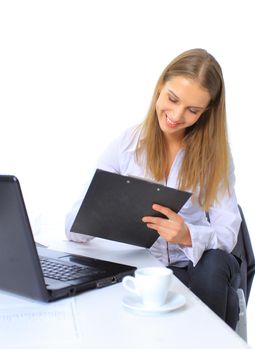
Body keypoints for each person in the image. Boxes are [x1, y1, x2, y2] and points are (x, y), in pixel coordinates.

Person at [65, 48, 242, 329]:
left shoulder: (215, 155)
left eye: (192, 110)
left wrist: (188, 235)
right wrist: (98, 217)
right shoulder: (127, 145)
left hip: (194, 268)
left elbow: (229, 232)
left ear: (207, 112)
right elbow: (72, 226)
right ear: (160, 87)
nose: (175, 115)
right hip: (140, 270)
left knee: (215, 264)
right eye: (172, 99)